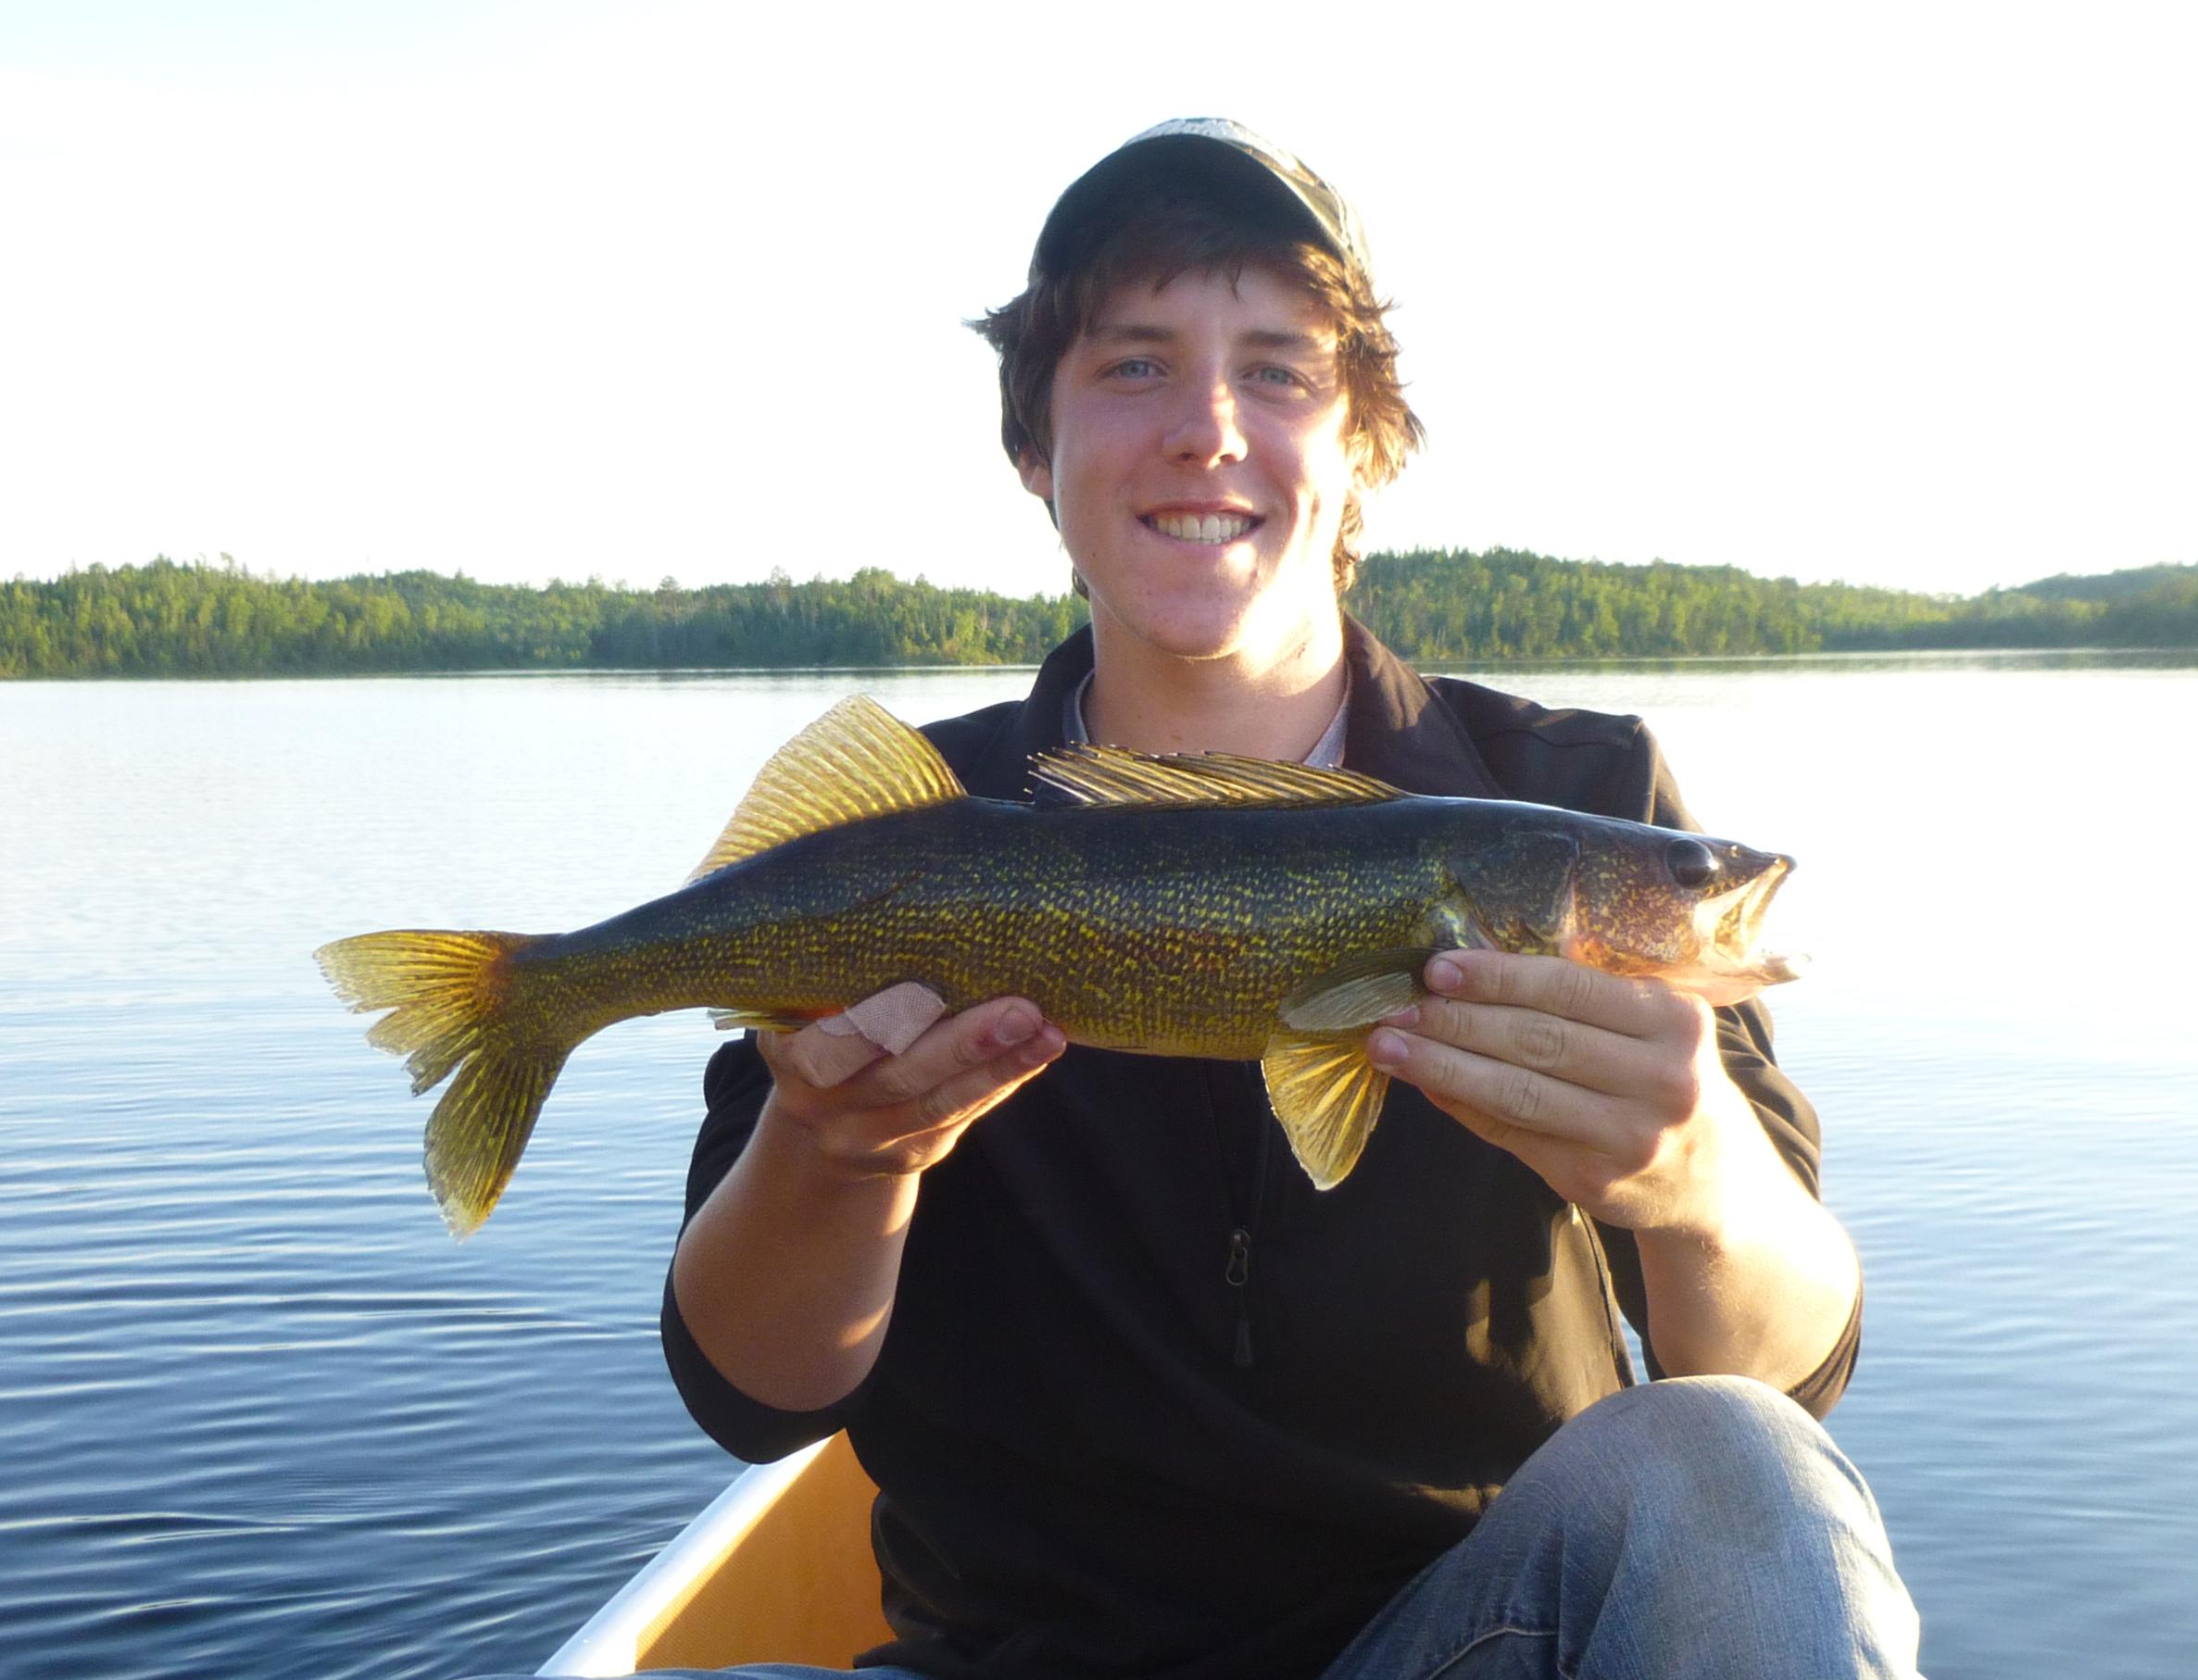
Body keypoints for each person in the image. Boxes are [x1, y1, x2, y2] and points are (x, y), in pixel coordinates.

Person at [661, 119, 1920, 1679]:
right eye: (1135, 364)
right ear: (1033, 447)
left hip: (1469, 1647)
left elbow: (1789, 1377)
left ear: (1363, 452)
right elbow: (751, 1392)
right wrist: (837, 1150)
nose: (1207, 427)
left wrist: (1700, 1176)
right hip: (1006, 1659)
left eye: (1278, 370)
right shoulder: (914, 834)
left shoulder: (1584, 789)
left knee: (1740, 1465)